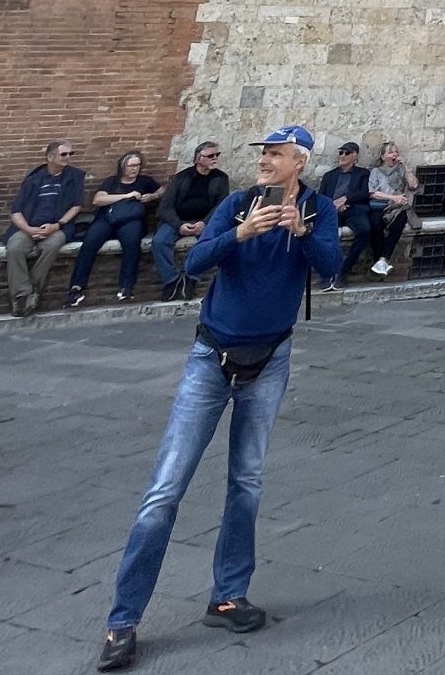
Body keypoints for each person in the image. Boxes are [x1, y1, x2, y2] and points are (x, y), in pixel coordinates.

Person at [95, 124, 341, 671]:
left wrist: (301, 232)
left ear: (298, 162)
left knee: (247, 481)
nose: (264, 162)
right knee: (166, 488)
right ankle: (122, 621)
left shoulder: (321, 211)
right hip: (212, 357)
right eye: (264, 154)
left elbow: (331, 271)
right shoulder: (237, 204)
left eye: (275, 155)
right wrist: (242, 234)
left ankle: (228, 595)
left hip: (271, 357)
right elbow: (195, 263)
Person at [5, 141, 88, 318]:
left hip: (57, 226)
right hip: (30, 226)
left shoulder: (74, 177)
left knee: (51, 246)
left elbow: (76, 206)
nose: (68, 158)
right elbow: (16, 211)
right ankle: (23, 294)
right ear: (50, 157)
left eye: (70, 154)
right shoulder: (33, 179)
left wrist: (57, 225)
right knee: (14, 247)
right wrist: (28, 229)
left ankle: (32, 292)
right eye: (64, 154)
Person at [70, 152, 161, 306]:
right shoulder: (112, 182)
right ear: (122, 166)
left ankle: (126, 287)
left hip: (131, 220)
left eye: (137, 165)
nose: (135, 169)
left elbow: (162, 190)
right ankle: (76, 287)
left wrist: (151, 196)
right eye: (131, 165)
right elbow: (98, 200)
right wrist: (127, 196)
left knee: (132, 243)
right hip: (106, 219)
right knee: (90, 242)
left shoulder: (145, 181)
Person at [154, 142, 230, 300]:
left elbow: (221, 205)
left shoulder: (221, 178)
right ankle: (171, 280)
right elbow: (165, 206)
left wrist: (205, 223)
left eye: (217, 155)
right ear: (198, 158)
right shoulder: (181, 177)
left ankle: (191, 278)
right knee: (159, 242)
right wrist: (179, 225)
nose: (215, 159)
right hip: (177, 221)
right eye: (210, 156)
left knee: (208, 244)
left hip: (204, 222)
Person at [318, 143, 372, 287]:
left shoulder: (362, 173)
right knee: (324, 234)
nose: (342, 156)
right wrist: (333, 205)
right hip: (332, 209)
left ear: (355, 155)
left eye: (346, 153)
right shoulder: (329, 176)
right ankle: (327, 272)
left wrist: (346, 199)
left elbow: (364, 193)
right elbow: (321, 197)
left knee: (365, 230)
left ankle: (344, 269)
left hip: (353, 208)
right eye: (340, 152)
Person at [365, 143, 415, 275]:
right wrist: (393, 197)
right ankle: (379, 261)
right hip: (381, 206)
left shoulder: (401, 169)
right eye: (390, 152)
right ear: (383, 156)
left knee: (399, 223)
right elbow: (372, 192)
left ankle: (383, 259)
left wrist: (406, 167)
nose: (394, 154)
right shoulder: (376, 171)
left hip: (398, 208)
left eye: (396, 152)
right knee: (375, 224)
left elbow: (413, 185)